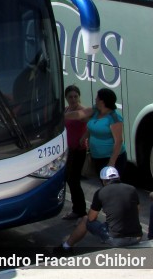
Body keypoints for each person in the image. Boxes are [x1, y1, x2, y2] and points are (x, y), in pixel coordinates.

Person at [54, 166, 142, 254]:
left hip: (117, 240)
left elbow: (91, 218)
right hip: (137, 237)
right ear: (118, 177)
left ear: (103, 181)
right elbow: (136, 211)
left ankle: (66, 247)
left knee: (85, 220)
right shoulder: (132, 189)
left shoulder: (101, 192)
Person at [65, 88, 127, 178]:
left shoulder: (114, 118)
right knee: (103, 182)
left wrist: (111, 162)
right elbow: (79, 114)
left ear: (102, 101)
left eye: (97, 98)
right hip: (97, 157)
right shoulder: (96, 110)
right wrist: (61, 116)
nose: (95, 99)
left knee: (111, 186)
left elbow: (119, 141)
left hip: (111, 158)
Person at [62, 85, 88, 220]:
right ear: (66, 98)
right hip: (67, 150)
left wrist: (84, 137)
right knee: (68, 179)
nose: (73, 99)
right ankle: (78, 209)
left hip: (78, 150)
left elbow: (91, 123)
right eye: (70, 97)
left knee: (73, 180)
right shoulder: (66, 110)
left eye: (75, 96)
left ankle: (80, 211)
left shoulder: (81, 111)